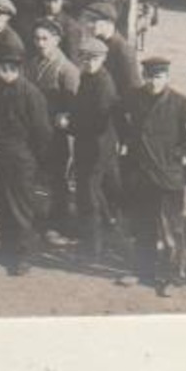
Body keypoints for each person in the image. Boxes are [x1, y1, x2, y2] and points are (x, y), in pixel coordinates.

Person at [120, 56, 186, 297]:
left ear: (166, 77)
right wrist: (125, 140)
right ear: (144, 77)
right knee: (142, 225)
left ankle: (172, 276)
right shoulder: (135, 97)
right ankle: (143, 271)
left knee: (170, 230)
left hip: (167, 175)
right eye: (149, 77)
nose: (153, 82)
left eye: (158, 77)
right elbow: (117, 112)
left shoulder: (179, 103)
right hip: (141, 173)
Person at [0, 39, 52, 276]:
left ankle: (22, 257)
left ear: (8, 67)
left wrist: (33, 161)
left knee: (20, 209)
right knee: (2, 205)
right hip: (1, 156)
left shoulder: (31, 95)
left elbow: (42, 133)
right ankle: (6, 249)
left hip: (21, 160)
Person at [66, 34, 124, 262]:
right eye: (85, 58)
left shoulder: (103, 84)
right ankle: (108, 231)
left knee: (87, 196)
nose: (88, 62)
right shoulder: (89, 77)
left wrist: (69, 123)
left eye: (94, 58)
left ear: (103, 59)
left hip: (97, 148)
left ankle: (91, 249)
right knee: (99, 193)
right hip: (92, 145)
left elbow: (97, 121)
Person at [26, 19, 81, 235]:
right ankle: (35, 213)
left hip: (57, 135)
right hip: (35, 130)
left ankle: (59, 222)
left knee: (57, 178)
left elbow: (75, 105)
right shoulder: (32, 64)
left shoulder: (67, 70)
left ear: (56, 41)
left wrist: (66, 117)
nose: (40, 43)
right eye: (36, 38)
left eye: (44, 39)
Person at [82, 2, 139, 100]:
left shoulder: (123, 50)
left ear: (109, 22)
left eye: (94, 20)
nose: (88, 25)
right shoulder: (96, 42)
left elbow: (133, 88)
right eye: (88, 20)